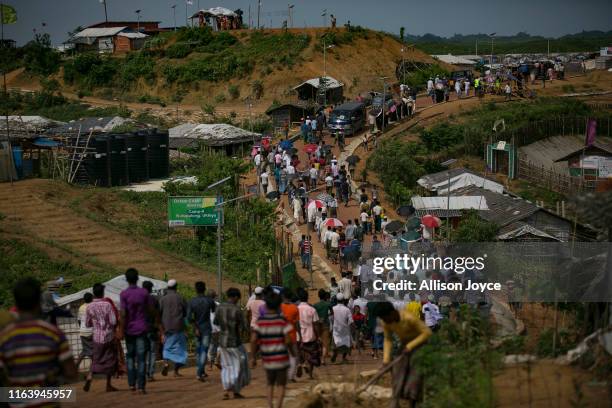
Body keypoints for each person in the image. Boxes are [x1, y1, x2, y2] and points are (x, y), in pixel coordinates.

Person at [0, 278, 77, 402]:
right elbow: (72, 374)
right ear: (38, 301)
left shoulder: (5, 337)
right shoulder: (54, 333)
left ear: (16, 302)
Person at [376, 301, 432, 408]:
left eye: (385, 317)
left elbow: (427, 333)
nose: (385, 321)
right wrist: (386, 360)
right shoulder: (386, 322)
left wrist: (410, 346)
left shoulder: (409, 318)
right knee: (397, 372)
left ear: (392, 313)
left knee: (415, 375)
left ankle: (413, 403)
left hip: (420, 345)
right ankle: (395, 401)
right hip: (405, 345)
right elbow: (388, 339)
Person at [251, 290, 292, 408]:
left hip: (267, 358)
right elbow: (288, 340)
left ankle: (270, 406)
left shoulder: (260, 321)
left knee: (270, 383)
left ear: (266, 304)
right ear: (279, 305)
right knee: (281, 384)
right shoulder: (281, 321)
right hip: (281, 358)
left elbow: (254, 339)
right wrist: (293, 352)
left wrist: (253, 357)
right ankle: (278, 406)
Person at [120, 268, 154, 394]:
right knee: (141, 359)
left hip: (129, 330)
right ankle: (141, 386)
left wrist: (121, 330)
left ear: (126, 279)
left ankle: (131, 384)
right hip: (142, 329)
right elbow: (151, 310)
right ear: (137, 278)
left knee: (130, 356)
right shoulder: (144, 293)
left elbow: (123, 314)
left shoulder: (124, 294)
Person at [214, 287, 250, 400]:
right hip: (235, 342)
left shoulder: (219, 308)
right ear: (235, 297)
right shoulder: (237, 310)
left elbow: (216, 322)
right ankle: (233, 389)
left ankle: (228, 390)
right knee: (239, 366)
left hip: (222, 342)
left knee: (226, 366)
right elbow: (245, 326)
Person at [85, 283, 119, 392]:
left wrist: (95, 323)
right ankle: (108, 385)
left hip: (97, 337)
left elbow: (87, 324)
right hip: (108, 336)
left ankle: (90, 375)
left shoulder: (89, 306)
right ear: (103, 293)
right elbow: (113, 321)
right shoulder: (107, 305)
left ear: (94, 293)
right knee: (110, 360)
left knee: (96, 359)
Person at [188, 281, 216, 382]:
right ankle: (200, 372)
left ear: (195, 289)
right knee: (204, 350)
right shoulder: (209, 300)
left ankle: (201, 371)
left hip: (196, 329)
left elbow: (188, 318)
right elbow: (213, 310)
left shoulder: (192, 301)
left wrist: (195, 327)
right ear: (204, 289)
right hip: (206, 328)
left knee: (198, 351)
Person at [159, 279, 188, 377]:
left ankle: (166, 363)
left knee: (167, 346)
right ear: (176, 287)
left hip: (166, 327)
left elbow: (159, 313)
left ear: (168, 287)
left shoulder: (162, 299)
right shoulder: (180, 298)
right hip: (178, 327)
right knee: (182, 349)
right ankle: (176, 370)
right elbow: (185, 312)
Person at [296, 288, 320, 379]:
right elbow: (316, 324)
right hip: (310, 335)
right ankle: (309, 373)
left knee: (300, 352)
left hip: (299, 335)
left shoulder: (296, 309)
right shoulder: (312, 309)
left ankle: (300, 363)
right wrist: (318, 335)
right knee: (311, 354)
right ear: (307, 298)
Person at [142, 280, 161, 382]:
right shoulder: (154, 300)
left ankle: (144, 374)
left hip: (141, 330)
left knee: (143, 353)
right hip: (152, 329)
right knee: (152, 352)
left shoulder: (138, 299)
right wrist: (158, 328)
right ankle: (150, 374)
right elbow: (158, 315)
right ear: (150, 289)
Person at [280, 289, 299, 382]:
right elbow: (296, 324)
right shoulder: (295, 308)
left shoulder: (279, 307)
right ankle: (291, 376)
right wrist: (300, 334)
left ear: (283, 296)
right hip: (292, 335)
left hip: (281, 335)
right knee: (293, 356)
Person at [331, 293, 353, 363]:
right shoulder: (347, 309)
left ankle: (335, 351)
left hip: (336, 329)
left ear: (336, 300)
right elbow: (350, 321)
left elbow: (331, 318)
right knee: (346, 344)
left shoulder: (333, 309)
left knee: (336, 342)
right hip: (345, 329)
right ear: (343, 300)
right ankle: (343, 357)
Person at [76, 292, 94, 374]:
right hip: (91, 331)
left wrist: (82, 328)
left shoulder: (81, 307)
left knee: (84, 350)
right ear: (92, 299)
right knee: (94, 353)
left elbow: (79, 320)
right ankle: (91, 372)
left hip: (83, 331)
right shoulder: (93, 307)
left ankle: (76, 366)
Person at [313, 290, 332, 365]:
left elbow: (314, 314)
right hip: (325, 323)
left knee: (318, 339)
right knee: (325, 343)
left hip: (317, 324)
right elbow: (332, 312)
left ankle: (318, 355)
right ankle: (323, 359)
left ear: (318, 296)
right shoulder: (328, 304)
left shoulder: (315, 305)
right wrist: (327, 316)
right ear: (324, 296)